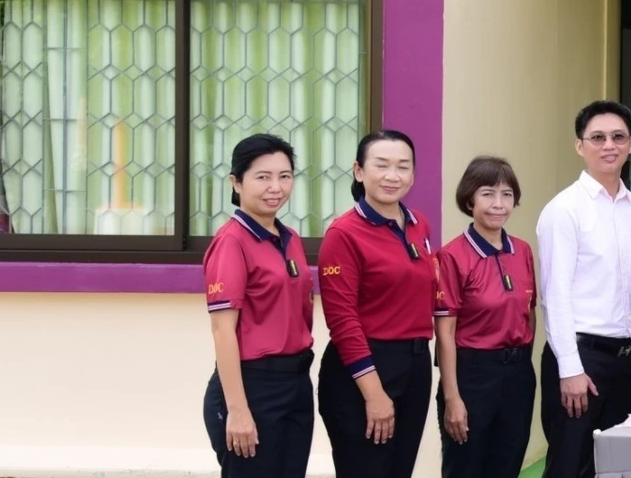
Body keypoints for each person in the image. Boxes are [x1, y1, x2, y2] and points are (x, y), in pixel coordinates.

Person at [536, 100, 631, 478]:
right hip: (580, 359)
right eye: (598, 137)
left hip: (626, 360)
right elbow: (554, 295)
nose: (609, 145)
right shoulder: (564, 209)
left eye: (618, 137)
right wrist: (570, 368)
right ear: (579, 145)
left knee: (618, 467)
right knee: (570, 465)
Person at [317, 130, 437, 478]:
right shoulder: (344, 234)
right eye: (381, 165)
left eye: (403, 166)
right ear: (358, 171)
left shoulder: (419, 225)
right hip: (364, 368)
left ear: (413, 174)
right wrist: (373, 393)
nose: (392, 175)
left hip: (414, 364)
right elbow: (342, 321)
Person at [203, 133, 314, 477]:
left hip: (295, 383)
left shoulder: (289, 238)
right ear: (236, 182)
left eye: (284, 176)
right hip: (253, 387)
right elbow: (223, 330)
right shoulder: (232, 241)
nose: (275, 187)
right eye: (262, 177)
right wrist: (238, 410)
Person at [434, 156, 538, 478]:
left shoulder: (522, 251)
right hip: (473, 375)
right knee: (466, 467)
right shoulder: (452, 255)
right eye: (488, 194)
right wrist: (453, 397)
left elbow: (529, 313)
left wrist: (521, 363)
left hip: (518, 374)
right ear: (470, 199)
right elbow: (445, 334)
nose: (499, 204)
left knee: (507, 465)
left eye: (507, 194)